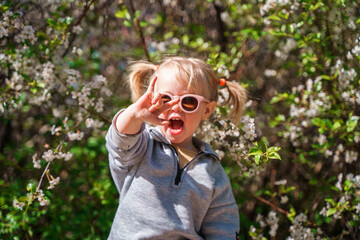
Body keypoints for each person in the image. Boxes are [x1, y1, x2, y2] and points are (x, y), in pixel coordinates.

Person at [105, 56, 247, 239]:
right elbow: (119, 143)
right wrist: (134, 114)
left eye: (188, 102)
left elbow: (222, 225)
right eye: (165, 99)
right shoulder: (142, 145)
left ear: (207, 110)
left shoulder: (213, 172)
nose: (176, 108)